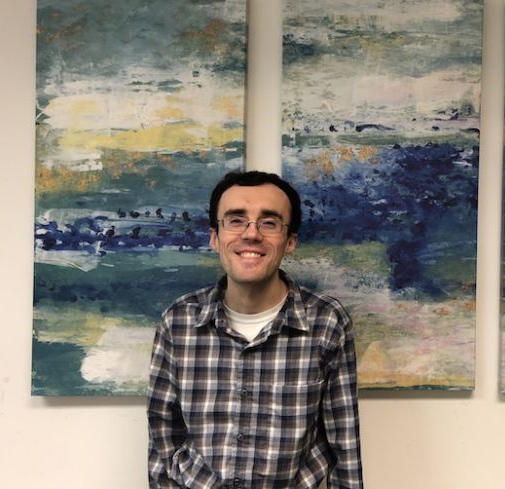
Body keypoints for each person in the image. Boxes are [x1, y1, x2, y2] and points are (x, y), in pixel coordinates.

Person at [147, 170, 363, 488]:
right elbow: (163, 441)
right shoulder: (178, 323)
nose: (251, 234)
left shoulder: (327, 322)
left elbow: (344, 447)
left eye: (269, 222)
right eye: (236, 220)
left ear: (290, 241)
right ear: (214, 237)